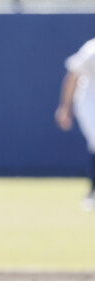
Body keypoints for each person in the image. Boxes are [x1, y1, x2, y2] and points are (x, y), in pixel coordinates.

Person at [56, 37, 95, 211]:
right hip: (89, 101)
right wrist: (65, 108)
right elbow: (72, 76)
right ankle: (93, 193)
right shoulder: (91, 50)